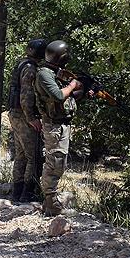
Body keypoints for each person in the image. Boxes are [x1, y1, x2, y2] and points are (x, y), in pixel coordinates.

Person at [34, 40, 88, 216]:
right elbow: (58, 95)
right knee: (55, 163)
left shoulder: (56, 73)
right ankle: (51, 203)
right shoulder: (44, 74)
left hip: (61, 124)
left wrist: (82, 90)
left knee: (59, 163)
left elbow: (68, 96)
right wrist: (73, 85)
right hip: (54, 126)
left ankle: (49, 202)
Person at [8, 39, 47, 202]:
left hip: (15, 114)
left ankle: (17, 192)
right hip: (24, 116)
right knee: (34, 156)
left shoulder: (21, 64)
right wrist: (31, 118)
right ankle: (27, 194)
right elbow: (26, 95)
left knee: (21, 154)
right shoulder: (31, 69)